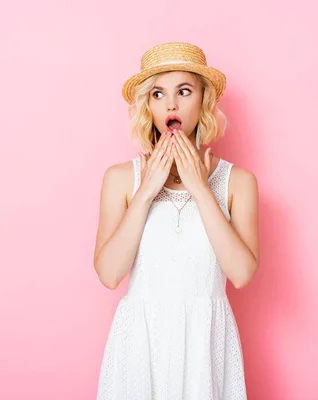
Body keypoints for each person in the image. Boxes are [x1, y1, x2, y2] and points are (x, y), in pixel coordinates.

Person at [93, 42, 260, 400]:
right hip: (140, 343)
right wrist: (147, 191)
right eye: (158, 93)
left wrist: (201, 189)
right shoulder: (121, 179)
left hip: (205, 345)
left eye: (184, 91)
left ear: (203, 101)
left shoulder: (239, 183)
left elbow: (242, 273)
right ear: (148, 106)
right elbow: (109, 274)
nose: (171, 104)